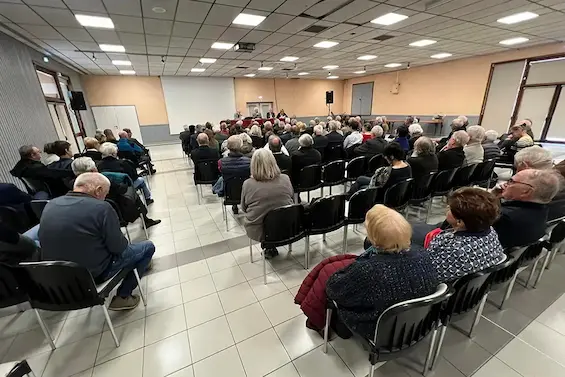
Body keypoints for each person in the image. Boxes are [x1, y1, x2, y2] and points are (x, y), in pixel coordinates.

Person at [39, 172, 155, 310]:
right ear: (98, 190)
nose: (105, 197)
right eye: (105, 193)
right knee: (147, 247)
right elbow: (119, 248)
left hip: (59, 277)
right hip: (94, 273)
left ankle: (139, 265)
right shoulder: (102, 208)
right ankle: (123, 296)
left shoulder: (51, 204)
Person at [320, 205, 438, 339]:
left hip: (379, 330)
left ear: (373, 239)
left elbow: (333, 289)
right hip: (416, 324)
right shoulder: (423, 255)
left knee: (326, 277)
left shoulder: (368, 269)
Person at [426, 188, 505, 282]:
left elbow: (428, 274)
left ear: (459, 222)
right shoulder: (490, 232)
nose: (447, 208)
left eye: (450, 209)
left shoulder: (452, 248)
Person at [72, 157, 161, 228]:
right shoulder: (102, 181)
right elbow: (121, 189)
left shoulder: (72, 186)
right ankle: (146, 219)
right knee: (133, 193)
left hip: (88, 224)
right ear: (92, 170)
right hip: (118, 213)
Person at [241, 149, 294, 258]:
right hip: (288, 224)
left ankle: (269, 247)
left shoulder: (248, 184)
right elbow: (291, 197)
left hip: (260, 229)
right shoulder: (285, 178)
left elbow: (244, 208)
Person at [347, 142, 411, 201]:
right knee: (360, 179)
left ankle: (350, 200)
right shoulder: (408, 166)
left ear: (391, 157)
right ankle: (349, 197)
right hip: (398, 195)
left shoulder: (386, 171)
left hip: (383, 196)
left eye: (386, 157)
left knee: (361, 187)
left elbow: (373, 186)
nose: (385, 159)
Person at [10, 145, 74, 197]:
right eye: (39, 152)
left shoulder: (21, 167)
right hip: (54, 193)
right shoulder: (35, 168)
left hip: (38, 193)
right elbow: (53, 173)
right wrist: (72, 172)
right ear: (33, 155)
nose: (40, 153)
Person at [214, 136, 251, 213]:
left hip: (229, 193)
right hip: (246, 192)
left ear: (228, 146)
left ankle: (234, 205)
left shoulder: (221, 162)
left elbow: (221, 173)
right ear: (241, 146)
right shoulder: (249, 161)